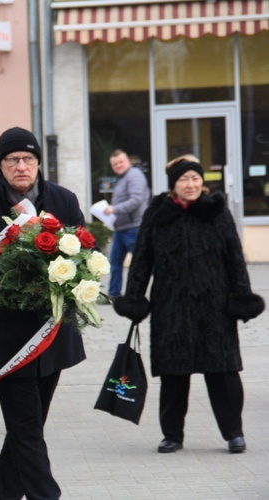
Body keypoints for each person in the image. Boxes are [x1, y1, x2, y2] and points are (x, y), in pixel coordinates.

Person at [0, 127, 86, 499]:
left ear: (39, 163)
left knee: (26, 430)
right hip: (6, 340)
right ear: (0, 165)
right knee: (26, 430)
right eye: (12, 160)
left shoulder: (64, 200)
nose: (21, 166)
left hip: (52, 336)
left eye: (28, 159)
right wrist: (13, 271)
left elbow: (84, 255)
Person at [114, 155, 264, 455]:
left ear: (203, 183)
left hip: (215, 306)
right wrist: (134, 298)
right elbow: (141, 260)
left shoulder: (217, 213)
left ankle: (234, 433)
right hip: (171, 306)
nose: (191, 184)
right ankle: (172, 435)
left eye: (196, 178)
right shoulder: (158, 214)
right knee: (173, 374)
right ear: (174, 185)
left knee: (223, 372)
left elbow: (235, 258)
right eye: (184, 179)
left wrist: (241, 296)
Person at [103, 150, 150, 299]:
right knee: (115, 263)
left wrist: (114, 209)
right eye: (114, 164)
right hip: (121, 228)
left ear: (128, 161)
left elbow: (136, 200)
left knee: (142, 262)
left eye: (120, 162)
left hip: (134, 228)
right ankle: (113, 294)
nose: (118, 166)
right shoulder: (122, 179)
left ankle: (140, 294)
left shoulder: (134, 175)